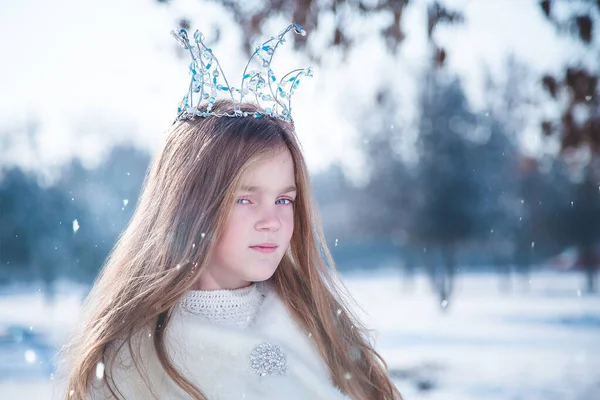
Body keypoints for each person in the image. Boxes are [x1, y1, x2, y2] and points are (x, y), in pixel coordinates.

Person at [57, 23, 402, 400]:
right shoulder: (133, 361)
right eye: (245, 199)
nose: (272, 221)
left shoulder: (316, 327)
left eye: (284, 200)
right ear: (192, 205)